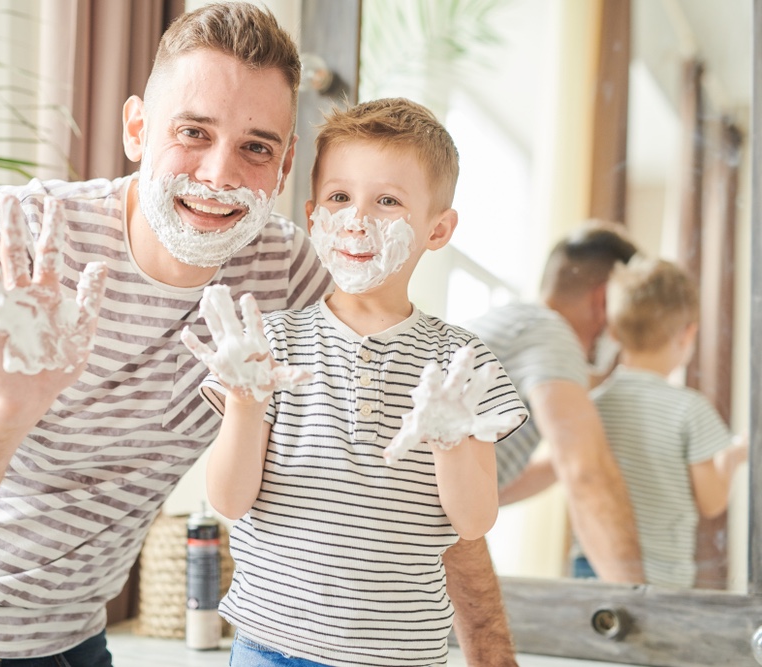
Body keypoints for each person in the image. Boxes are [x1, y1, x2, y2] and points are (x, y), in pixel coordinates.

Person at [0, 4, 522, 666]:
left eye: (255, 148)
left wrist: (492, 654)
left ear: (286, 165)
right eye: (193, 133)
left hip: (63, 641)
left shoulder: (293, 277)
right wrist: (5, 406)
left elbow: (414, 488)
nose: (217, 174)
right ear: (137, 127)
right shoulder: (16, 235)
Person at [182, 98, 528, 667]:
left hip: (399, 656)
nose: (357, 219)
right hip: (268, 647)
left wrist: (448, 441)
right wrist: (245, 404)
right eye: (341, 198)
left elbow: (474, 520)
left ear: (438, 229)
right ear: (314, 212)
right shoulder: (266, 344)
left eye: (387, 201)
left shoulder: (462, 363)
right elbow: (229, 500)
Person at [467, 222, 647, 584]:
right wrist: (638, 605)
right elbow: (586, 475)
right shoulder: (551, 332)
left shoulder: (515, 324)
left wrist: (577, 448)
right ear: (603, 301)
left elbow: (483, 493)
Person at [569, 256, 747, 587]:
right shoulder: (690, 409)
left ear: (614, 331)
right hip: (662, 577)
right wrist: (735, 456)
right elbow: (712, 501)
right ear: (688, 334)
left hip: (593, 566)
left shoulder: (590, 406)